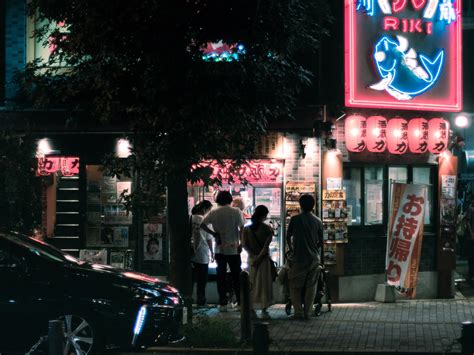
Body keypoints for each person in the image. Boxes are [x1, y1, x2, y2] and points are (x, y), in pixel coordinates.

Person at [201, 190, 245, 312]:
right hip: (234, 248)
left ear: (218, 200)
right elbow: (242, 228)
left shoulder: (214, 212)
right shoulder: (236, 211)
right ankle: (240, 302)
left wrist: (214, 234)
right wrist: (241, 243)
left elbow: (202, 225)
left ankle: (222, 302)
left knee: (221, 276)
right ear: (230, 199)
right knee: (236, 275)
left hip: (219, 248)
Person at [286, 194, 323, 320]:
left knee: (295, 286)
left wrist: (292, 249)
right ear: (313, 206)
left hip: (298, 258)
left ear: (300, 205)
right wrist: (315, 250)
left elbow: (288, 236)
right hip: (313, 259)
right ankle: (308, 311)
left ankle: (298, 312)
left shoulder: (294, 219)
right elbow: (321, 242)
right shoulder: (318, 221)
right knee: (311, 286)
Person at [242, 205, 274, 318]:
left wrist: (253, 257)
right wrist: (259, 258)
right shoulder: (268, 229)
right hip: (263, 260)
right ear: (264, 216)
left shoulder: (246, 229)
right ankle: (264, 307)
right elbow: (266, 247)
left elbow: (244, 245)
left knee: (252, 283)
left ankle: (251, 305)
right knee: (263, 284)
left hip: (251, 259)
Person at [191, 200, 214, 307]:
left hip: (190, 253)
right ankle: (201, 300)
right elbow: (209, 238)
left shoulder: (190, 217)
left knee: (190, 278)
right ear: (205, 209)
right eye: (209, 210)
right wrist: (212, 252)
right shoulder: (205, 221)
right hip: (202, 253)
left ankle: (189, 299)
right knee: (202, 280)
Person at [466, 200, 474, 282]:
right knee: (471, 255)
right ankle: (471, 274)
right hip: (472, 236)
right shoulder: (471, 209)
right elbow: (467, 222)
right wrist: (471, 233)